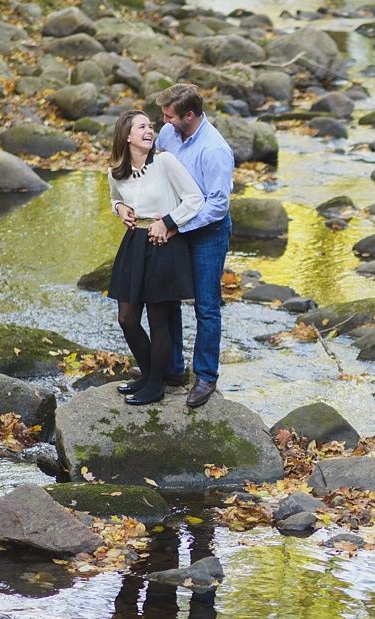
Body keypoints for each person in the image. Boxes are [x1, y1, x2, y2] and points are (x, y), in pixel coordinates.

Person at [106, 109, 203, 406]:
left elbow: (195, 199)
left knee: (158, 321)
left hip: (163, 242)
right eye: (142, 127)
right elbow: (115, 198)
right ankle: (149, 376)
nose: (150, 130)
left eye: (151, 126)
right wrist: (120, 209)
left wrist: (170, 222)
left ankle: (155, 386)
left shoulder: (164, 162)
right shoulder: (116, 170)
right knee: (127, 318)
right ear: (127, 136)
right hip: (134, 244)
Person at [153, 84, 235, 409]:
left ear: (190, 115)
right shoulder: (168, 134)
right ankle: (173, 369)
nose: (164, 121)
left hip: (208, 233)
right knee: (167, 297)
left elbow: (218, 206)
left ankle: (205, 376)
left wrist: (175, 225)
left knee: (206, 305)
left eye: (170, 115)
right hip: (173, 224)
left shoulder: (214, 150)